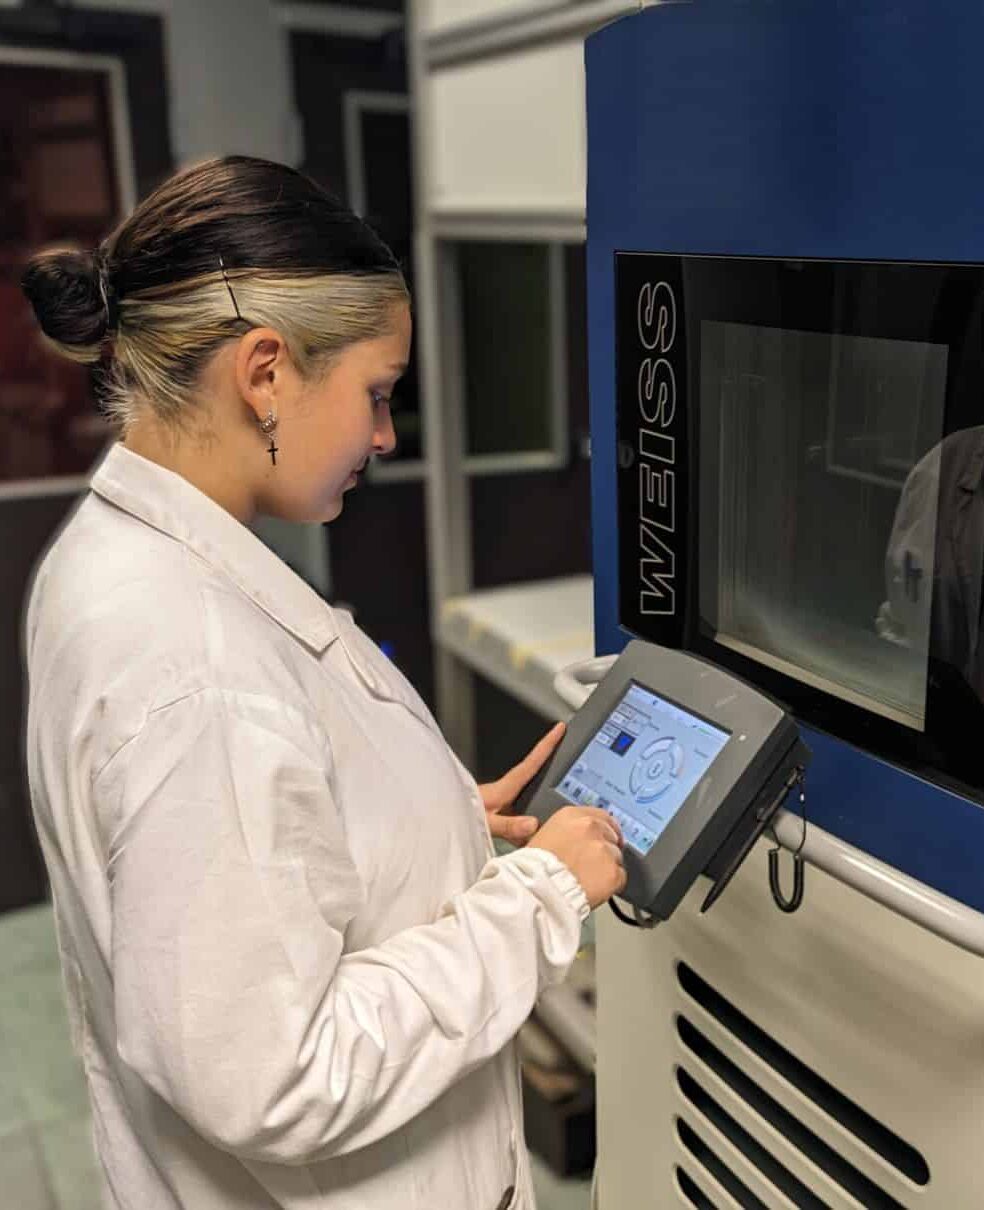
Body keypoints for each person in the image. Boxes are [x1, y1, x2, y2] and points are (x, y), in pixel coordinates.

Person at [20, 156, 626, 1210]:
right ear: (265, 372)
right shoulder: (196, 671)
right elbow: (281, 1074)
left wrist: (425, 817)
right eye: (376, 395)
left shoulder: (106, 556)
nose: (385, 437)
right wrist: (547, 894)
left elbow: (227, 866)